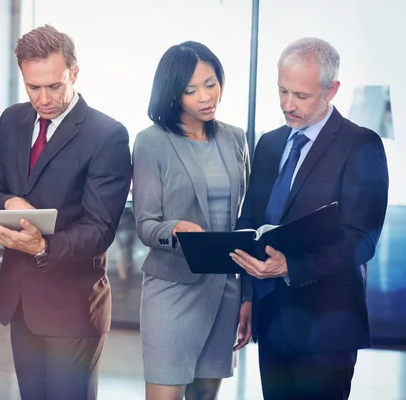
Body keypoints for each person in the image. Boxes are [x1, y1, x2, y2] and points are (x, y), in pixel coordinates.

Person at [230, 37, 389, 400]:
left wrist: (290, 267)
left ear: (331, 90)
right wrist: (249, 294)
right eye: (282, 91)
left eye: (301, 96)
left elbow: (360, 240)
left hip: (327, 324)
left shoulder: (360, 145)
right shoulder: (269, 144)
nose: (288, 105)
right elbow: (251, 219)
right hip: (271, 320)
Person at [0, 25, 132, 400]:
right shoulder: (11, 121)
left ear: (74, 73)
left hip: (73, 307)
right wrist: (7, 204)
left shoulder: (106, 135)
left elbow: (100, 229)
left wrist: (41, 247)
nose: (44, 98)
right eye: (33, 87)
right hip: (20, 302)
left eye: (54, 85)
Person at [132, 41, 252, 400]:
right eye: (191, 89)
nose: (206, 96)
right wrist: (177, 229)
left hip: (223, 291)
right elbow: (146, 224)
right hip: (172, 290)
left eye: (211, 83)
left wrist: (246, 294)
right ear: (173, 92)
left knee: (205, 396)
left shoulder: (235, 138)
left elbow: (243, 221)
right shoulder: (151, 142)